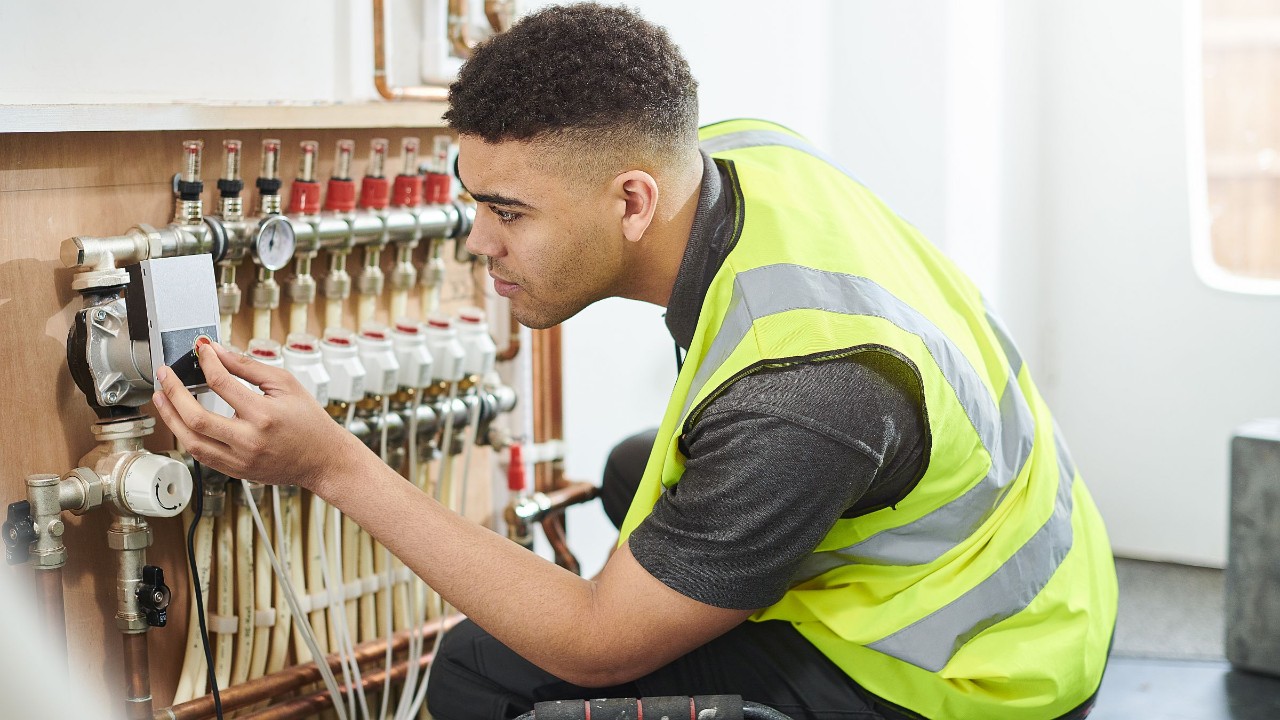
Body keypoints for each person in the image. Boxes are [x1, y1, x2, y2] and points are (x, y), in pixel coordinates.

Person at [152, 4, 1118, 719]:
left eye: (510, 212)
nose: (475, 244)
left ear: (631, 203)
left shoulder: (805, 396)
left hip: (983, 673)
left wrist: (331, 465)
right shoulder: (743, 156)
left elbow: (594, 646)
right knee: (630, 473)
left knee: (484, 675)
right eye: (473, 199)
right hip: (1013, 557)